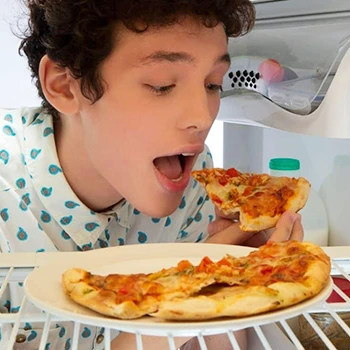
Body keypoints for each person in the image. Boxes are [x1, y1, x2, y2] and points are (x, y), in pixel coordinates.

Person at [0, 0, 303, 349]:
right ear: (65, 86)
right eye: (162, 86)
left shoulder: (195, 182)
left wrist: (236, 278)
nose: (203, 118)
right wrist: (188, 292)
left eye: (213, 84)